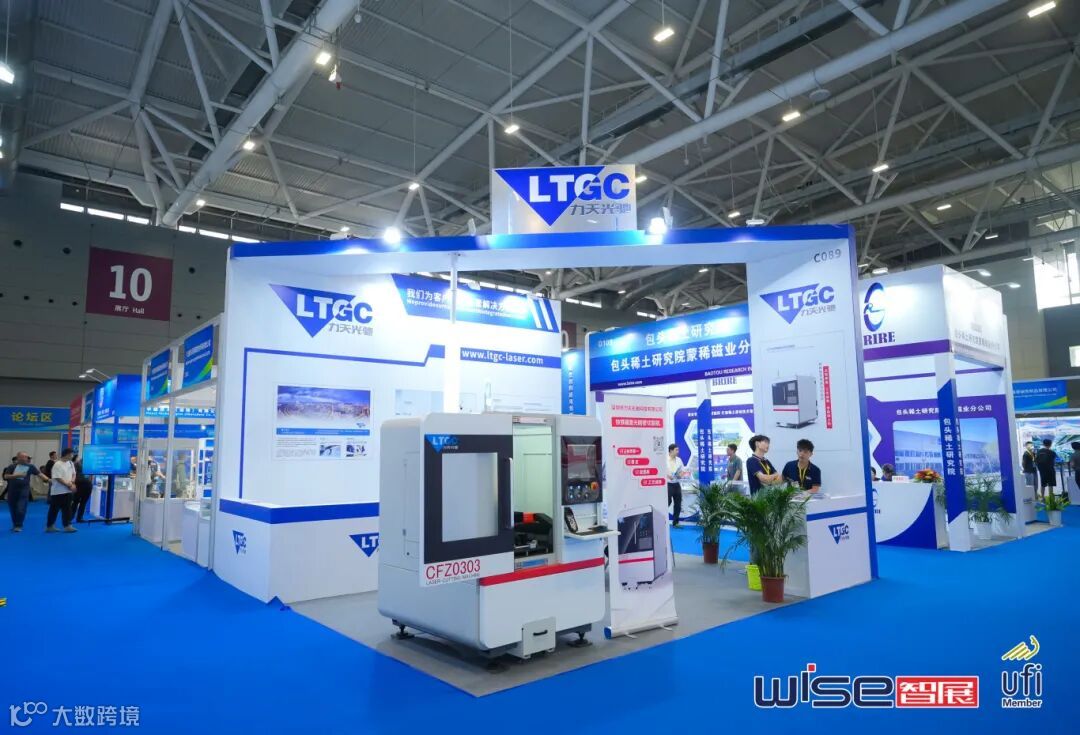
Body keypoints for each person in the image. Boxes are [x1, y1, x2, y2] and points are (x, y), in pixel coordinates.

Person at [3, 452, 43, 532]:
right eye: (22, 457)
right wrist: (17, 475)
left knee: (21, 508)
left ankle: (19, 525)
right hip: (12, 491)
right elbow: (5, 476)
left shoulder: (31, 466)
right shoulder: (12, 466)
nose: (24, 458)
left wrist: (48, 480)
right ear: (18, 457)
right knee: (13, 509)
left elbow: (39, 474)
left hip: (24, 491)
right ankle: (15, 524)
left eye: (26, 457)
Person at [46, 448, 78, 533]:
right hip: (58, 491)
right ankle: (50, 526)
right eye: (71, 454)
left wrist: (72, 482)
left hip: (68, 491)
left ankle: (67, 526)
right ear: (67, 454)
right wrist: (69, 485)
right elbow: (58, 478)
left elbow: (74, 474)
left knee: (67, 509)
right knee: (54, 509)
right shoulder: (57, 464)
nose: (72, 456)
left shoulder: (71, 463)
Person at [666, 444, 688, 526]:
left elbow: (682, 470)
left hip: (676, 483)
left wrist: (680, 474)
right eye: (676, 450)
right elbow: (660, 471)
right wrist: (668, 476)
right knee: (668, 502)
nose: (678, 452)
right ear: (671, 450)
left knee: (678, 504)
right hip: (668, 484)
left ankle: (675, 522)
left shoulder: (679, 460)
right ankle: (663, 520)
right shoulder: (664, 459)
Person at [72, 456, 93, 523]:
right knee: (76, 502)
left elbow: (91, 475)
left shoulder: (90, 464)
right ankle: (70, 518)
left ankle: (79, 518)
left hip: (87, 485)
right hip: (79, 484)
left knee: (83, 502)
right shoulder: (77, 464)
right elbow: (73, 474)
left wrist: (90, 482)